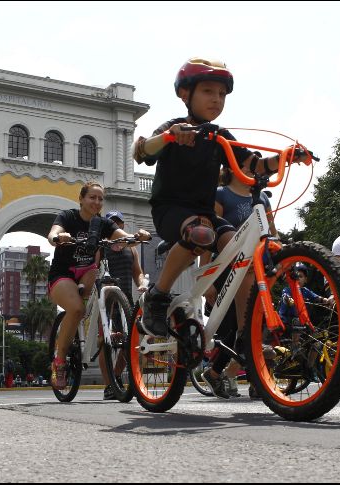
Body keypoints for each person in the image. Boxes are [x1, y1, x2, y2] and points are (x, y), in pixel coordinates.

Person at [132, 57, 309, 338]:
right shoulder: (174, 127)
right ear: (184, 94)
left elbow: (254, 164)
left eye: (222, 94)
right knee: (200, 234)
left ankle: (246, 336)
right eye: (208, 92)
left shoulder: (219, 135)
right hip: (171, 210)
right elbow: (142, 152)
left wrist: (286, 157)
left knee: (246, 258)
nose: (217, 99)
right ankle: (158, 295)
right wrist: (169, 137)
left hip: (206, 214)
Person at [47, 182, 151, 391]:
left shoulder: (102, 224)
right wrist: (58, 237)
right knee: (77, 309)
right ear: (82, 199)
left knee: (96, 275)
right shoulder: (68, 217)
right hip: (63, 274)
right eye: (92, 197)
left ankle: (88, 320)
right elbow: (53, 233)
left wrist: (138, 237)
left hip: (86, 272)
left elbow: (124, 238)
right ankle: (59, 361)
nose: (96, 202)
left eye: (100, 198)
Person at [199, 158, 278, 399]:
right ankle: (251, 377)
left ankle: (229, 375)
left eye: (255, 166)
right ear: (231, 169)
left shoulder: (262, 198)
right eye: (245, 164)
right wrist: (207, 278)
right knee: (236, 325)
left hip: (256, 268)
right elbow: (210, 236)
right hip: (228, 267)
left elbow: (271, 232)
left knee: (253, 322)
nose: (251, 169)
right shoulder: (221, 194)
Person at [102, 210, 149, 400]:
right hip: (105, 299)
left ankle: (115, 376)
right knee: (104, 341)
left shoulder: (131, 249)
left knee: (129, 341)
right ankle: (108, 385)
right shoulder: (101, 246)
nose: (116, 227)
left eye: (119, 223)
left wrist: (142, 284)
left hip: (126, 299)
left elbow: (137, 272)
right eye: (112, 224)